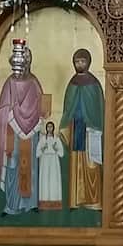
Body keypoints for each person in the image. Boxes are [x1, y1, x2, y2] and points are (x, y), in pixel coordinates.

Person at [0, 46, 45, 216]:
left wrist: (41, 114)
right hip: (13, 131)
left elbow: (42, 105)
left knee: (30, 165)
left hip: (31, 132)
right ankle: (12, 205)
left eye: (28, 58)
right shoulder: (10, 82)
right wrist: (10, 112)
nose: (25, 62)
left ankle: (30, 204)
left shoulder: (34, 82)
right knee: (13, 163)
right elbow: (2, 108)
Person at [60, 48, 104, 211]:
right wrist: (66, 124)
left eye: (83, 61)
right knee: (76, 163)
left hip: (90, 129)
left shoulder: (93, 84)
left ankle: (95, 201)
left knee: (92, 163)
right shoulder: (72, 84)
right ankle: (75, 200)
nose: (80, 64)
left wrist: (95, 124)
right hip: (75, 127)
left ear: (88, 62)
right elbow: (68, 108)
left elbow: (98, 108)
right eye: (77, 61)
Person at [36, 121, 64, 210]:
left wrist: (56, 149)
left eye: (51, 127)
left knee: (53, 181)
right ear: (46, 128)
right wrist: (43, 148)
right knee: (45, 181)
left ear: (53, 128)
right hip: (44, 161)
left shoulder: (57, 139)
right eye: (48, 127)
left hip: (54, 161)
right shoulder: (42, 139)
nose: (49, 128)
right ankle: (44, 203)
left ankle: (55, 203)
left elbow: (62, 153)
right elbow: (37, 153)